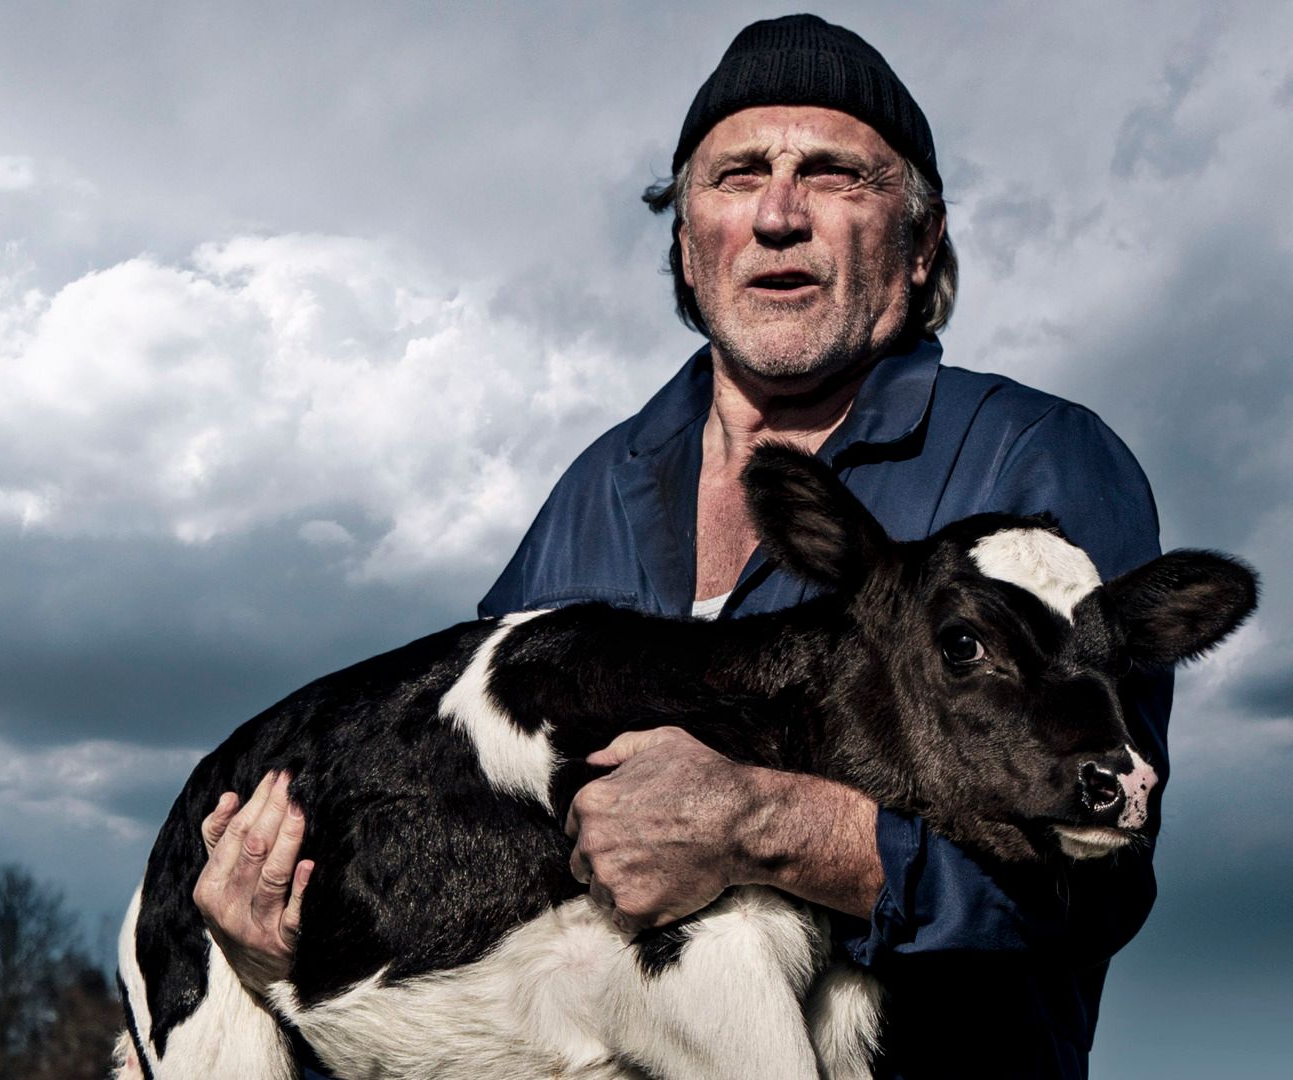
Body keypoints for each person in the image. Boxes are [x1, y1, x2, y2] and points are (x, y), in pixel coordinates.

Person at [193, 14, 1168, 1078]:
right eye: (736, 175)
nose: (780, 216)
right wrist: (285, 917)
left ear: (922, 240)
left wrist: (766, 824)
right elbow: (474, 843)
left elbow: (1100, 879)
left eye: (837, 175)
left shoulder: (1031, 468)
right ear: (685, 242)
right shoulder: (592, 494)